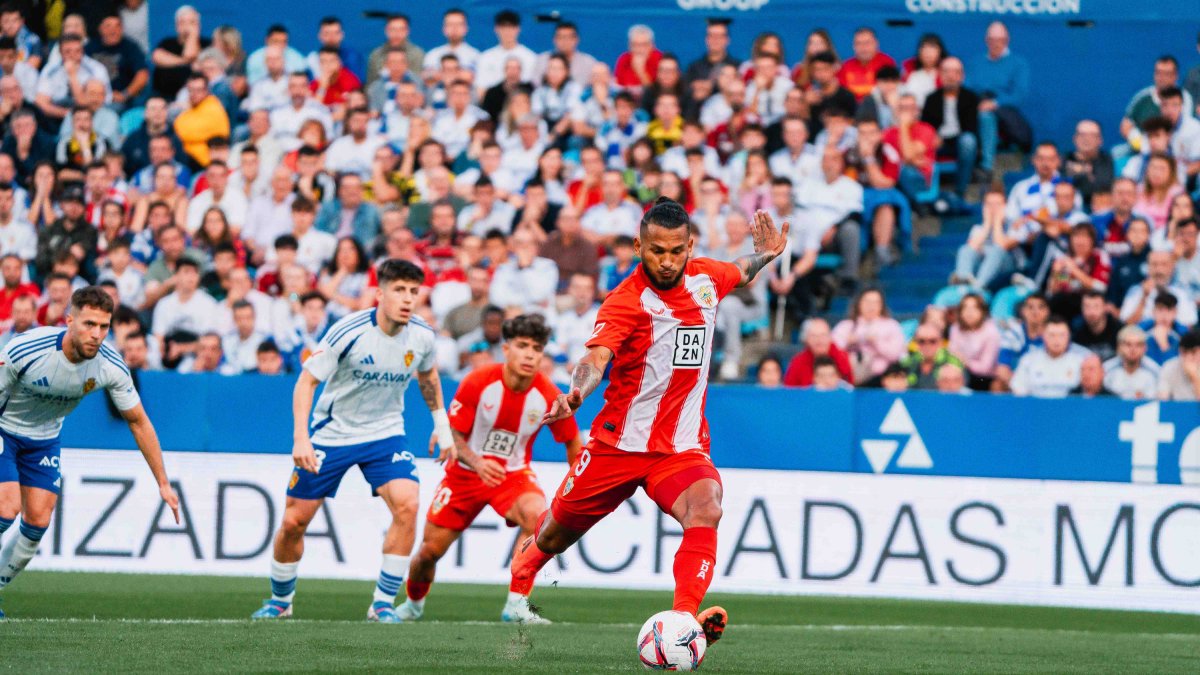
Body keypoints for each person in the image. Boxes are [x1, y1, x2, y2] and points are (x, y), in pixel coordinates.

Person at [507, 202, 788, 637]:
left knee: (706, 508)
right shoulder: (626, 301)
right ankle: (524, 567)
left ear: (690, 246)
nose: (667, 260)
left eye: (677, 251)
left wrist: (765, 255)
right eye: (657, 250)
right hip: (616, 447)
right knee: (552, 538)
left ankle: (682, 620)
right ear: (639, 246)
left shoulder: (707, 279)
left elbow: (740, 269)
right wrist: (578, 391)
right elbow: (595, 358)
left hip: (680, 448)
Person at [251, 260, 454, 623]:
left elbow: (428, 376)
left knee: (408, 505)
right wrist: (301, 439)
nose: (408, 299)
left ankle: (382, 604)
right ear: (380, 294)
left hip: (386, 434)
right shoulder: (347, 331)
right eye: (399, 290)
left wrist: (442, 425)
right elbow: (306, 382)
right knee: (294, 522)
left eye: (413, 291)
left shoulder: (422, 335)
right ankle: (281, 601)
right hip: (333, 434)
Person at [0, 288, 179, 618]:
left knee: (37, 520)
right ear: (69, 320)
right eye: (89, 324)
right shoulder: (25, 349)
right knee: (6, 506)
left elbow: (139, 422)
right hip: (3, 428)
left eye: (104, 327)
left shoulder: (110, 365)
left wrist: (163, 482)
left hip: (43, 440)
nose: (96, 335)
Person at [397, 314, 581, 622]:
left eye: (536, 348)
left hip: (513, 477)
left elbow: (572, 440)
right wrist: (478, 462)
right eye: (522, 346)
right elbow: (451, 433)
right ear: (506, 349)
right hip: (464, 476)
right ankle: (413, 605)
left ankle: (516, 603)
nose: (529, 354)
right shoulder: (478, 381)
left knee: (539, 517)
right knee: (429, 552)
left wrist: (579, 483)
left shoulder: (548, 394)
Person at [967, 21, 1031, 175]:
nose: (996, 44)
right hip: (976, 105)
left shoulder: (1019, 63)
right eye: (992, 40)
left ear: (1007, 41)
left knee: (986, 116)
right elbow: (967, 87)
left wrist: (995, 103)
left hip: (1004, 112)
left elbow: (1019, 95)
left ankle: (987, 166)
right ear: (986, 41)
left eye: (1000, 40)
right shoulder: (976, 62)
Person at [920, 57, 980, 198]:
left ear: (962, 76)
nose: (951, 76)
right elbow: (925, 126)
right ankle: (924, 195)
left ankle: (960, 192)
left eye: (955, 72)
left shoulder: (970, 98)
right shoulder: (931, 99)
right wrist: (932, 138)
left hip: (959, 143)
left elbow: (970, 128)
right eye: (946, 72)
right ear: (940, 75)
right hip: (936, 144)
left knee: (968, 141)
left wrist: (944, 139)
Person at [1010, 316, 1083, 398]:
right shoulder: (1028, 360)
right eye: (1052, 335)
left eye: (1062, 335)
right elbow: (1018, 390)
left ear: (1069, 336)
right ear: (1043, 335)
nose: (1057, 340)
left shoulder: (1080, 362)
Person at [783, 317, 853, 387]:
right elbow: (789, 392)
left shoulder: (842, 358)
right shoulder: (797, 362)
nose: (819, 340)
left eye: (823, 335)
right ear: (807, 340)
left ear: (830, 338)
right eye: (814, 336)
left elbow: (850, 389)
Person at [1062, 120, 1114, 210]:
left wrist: (1080, 171)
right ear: (1074, 138)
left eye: (1092, 135)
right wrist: (1087, 172)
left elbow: (1101, 188)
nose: (1087, 139)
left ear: (1100, 140)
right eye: (1082, 135)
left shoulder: (1107, 161)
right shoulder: (1064, 160)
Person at [899, 322, 964, 390]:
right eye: (922, 341)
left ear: (941, 342)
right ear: (916, 343)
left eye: (932, 341)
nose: (927, 345)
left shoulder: (954, 362)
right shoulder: (907, 363)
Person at [837, 27, 895, 102]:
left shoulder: (886, 63)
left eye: (867, 43)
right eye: (859, 43)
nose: (863, 48)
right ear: (854, 47)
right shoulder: (846, 66)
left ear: (876, 44)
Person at [1102, 325, 1159, 400]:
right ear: (1119, 347)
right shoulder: (1106, 369)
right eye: (1128, 344)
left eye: (1138, 345)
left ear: (1145, 348)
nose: (1133, 349)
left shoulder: (1155, 371)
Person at [1158, 329, 1200, 401]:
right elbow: (1162, 399)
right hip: (1176, 410)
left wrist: (1195, 377)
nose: (1189, 357)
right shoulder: (1169, 367)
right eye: (1184, 352)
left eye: (1193, 352)